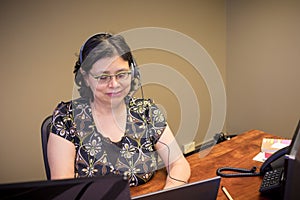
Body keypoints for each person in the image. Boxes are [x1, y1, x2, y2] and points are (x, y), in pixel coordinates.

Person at [47, 32, 191, 189]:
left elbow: (178, 164)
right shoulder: (66, 118)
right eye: (103, 77)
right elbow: (64, 189)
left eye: (121, 75)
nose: (114, 84)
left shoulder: (146, 112)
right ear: (86, 77)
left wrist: (167, 194)